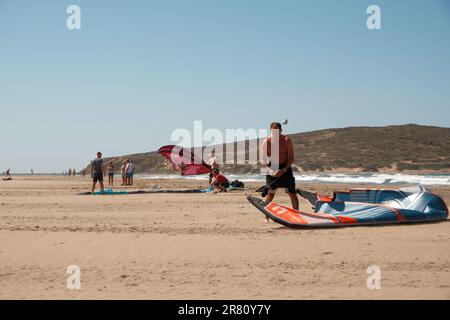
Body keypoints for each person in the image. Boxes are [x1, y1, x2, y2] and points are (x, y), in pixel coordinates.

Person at [260, 122, 299, 223]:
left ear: (281, 130)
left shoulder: (287, 141)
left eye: (277, 130)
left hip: (285, 167)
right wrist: (270, 170)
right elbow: (263, 160)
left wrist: (284, 169)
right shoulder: (266, 142)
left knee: (292, 193)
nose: (275, 132)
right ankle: (266, 217)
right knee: (271, 194)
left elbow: (291, 158)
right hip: (272, 167)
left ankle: (297, 215)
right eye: (273, 131)